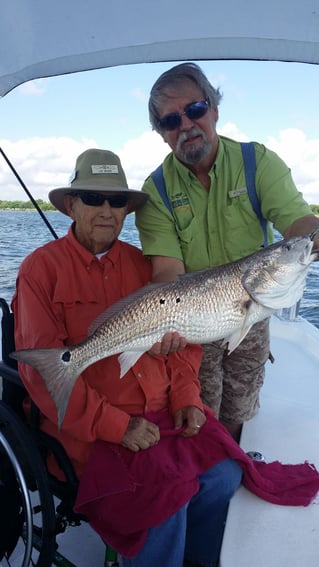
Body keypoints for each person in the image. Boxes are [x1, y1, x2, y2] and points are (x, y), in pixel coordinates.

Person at [12, 148, 243, 567]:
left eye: (117, 201)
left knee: (225, 476)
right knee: (163, 502)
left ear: (127, 211)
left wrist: (187, 398)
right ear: (71, 204)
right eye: (93, 198)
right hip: (92, 434)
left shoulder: (147, 267)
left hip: (164, 417)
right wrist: (118, 426)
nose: (106, 210)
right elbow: (43, 376)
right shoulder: (38, 270)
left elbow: (185, 341)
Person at [135, 62, 319, 442]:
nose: (185, 125)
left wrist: (311, 238)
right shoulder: (155, 191)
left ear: (214, 110)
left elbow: (298, 225)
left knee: (239, 403)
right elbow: (167, 271)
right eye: (171, 120)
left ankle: (231, 457)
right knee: (198, 410)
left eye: (195, 110)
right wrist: (166, 323)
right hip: (191, 325)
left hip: (252, 308)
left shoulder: (257, 163)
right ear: (162, 134)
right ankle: (208, 472)